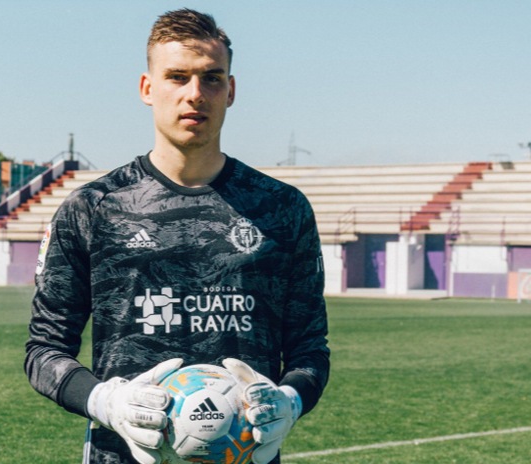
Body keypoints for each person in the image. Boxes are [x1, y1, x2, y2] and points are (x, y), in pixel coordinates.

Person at [24, 8, 330, 464]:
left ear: (231, 90)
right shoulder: (94, 208)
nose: (195, 94)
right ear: (148, 88)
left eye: (211, 78)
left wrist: (289, 400)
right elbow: (44, 351)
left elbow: (310, 351)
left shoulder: (283, 209)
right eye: (177, 77)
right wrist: (106, 402)